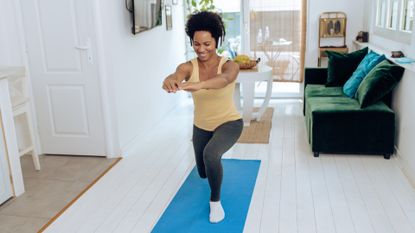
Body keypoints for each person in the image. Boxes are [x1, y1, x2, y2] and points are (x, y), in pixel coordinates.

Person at [162, 11, 243, 223]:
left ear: (217, 40)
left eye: (207, 44)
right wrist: (169, 81)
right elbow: (176, 75)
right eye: (196, 44)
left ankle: (215, 203)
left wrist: (198, 85)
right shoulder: (188, 66)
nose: (202, 49)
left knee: (211, 154)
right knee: (202, 172)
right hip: (201, 126)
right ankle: (214, 166)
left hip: (230, 122)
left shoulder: (229, 65)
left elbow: (224, 80)